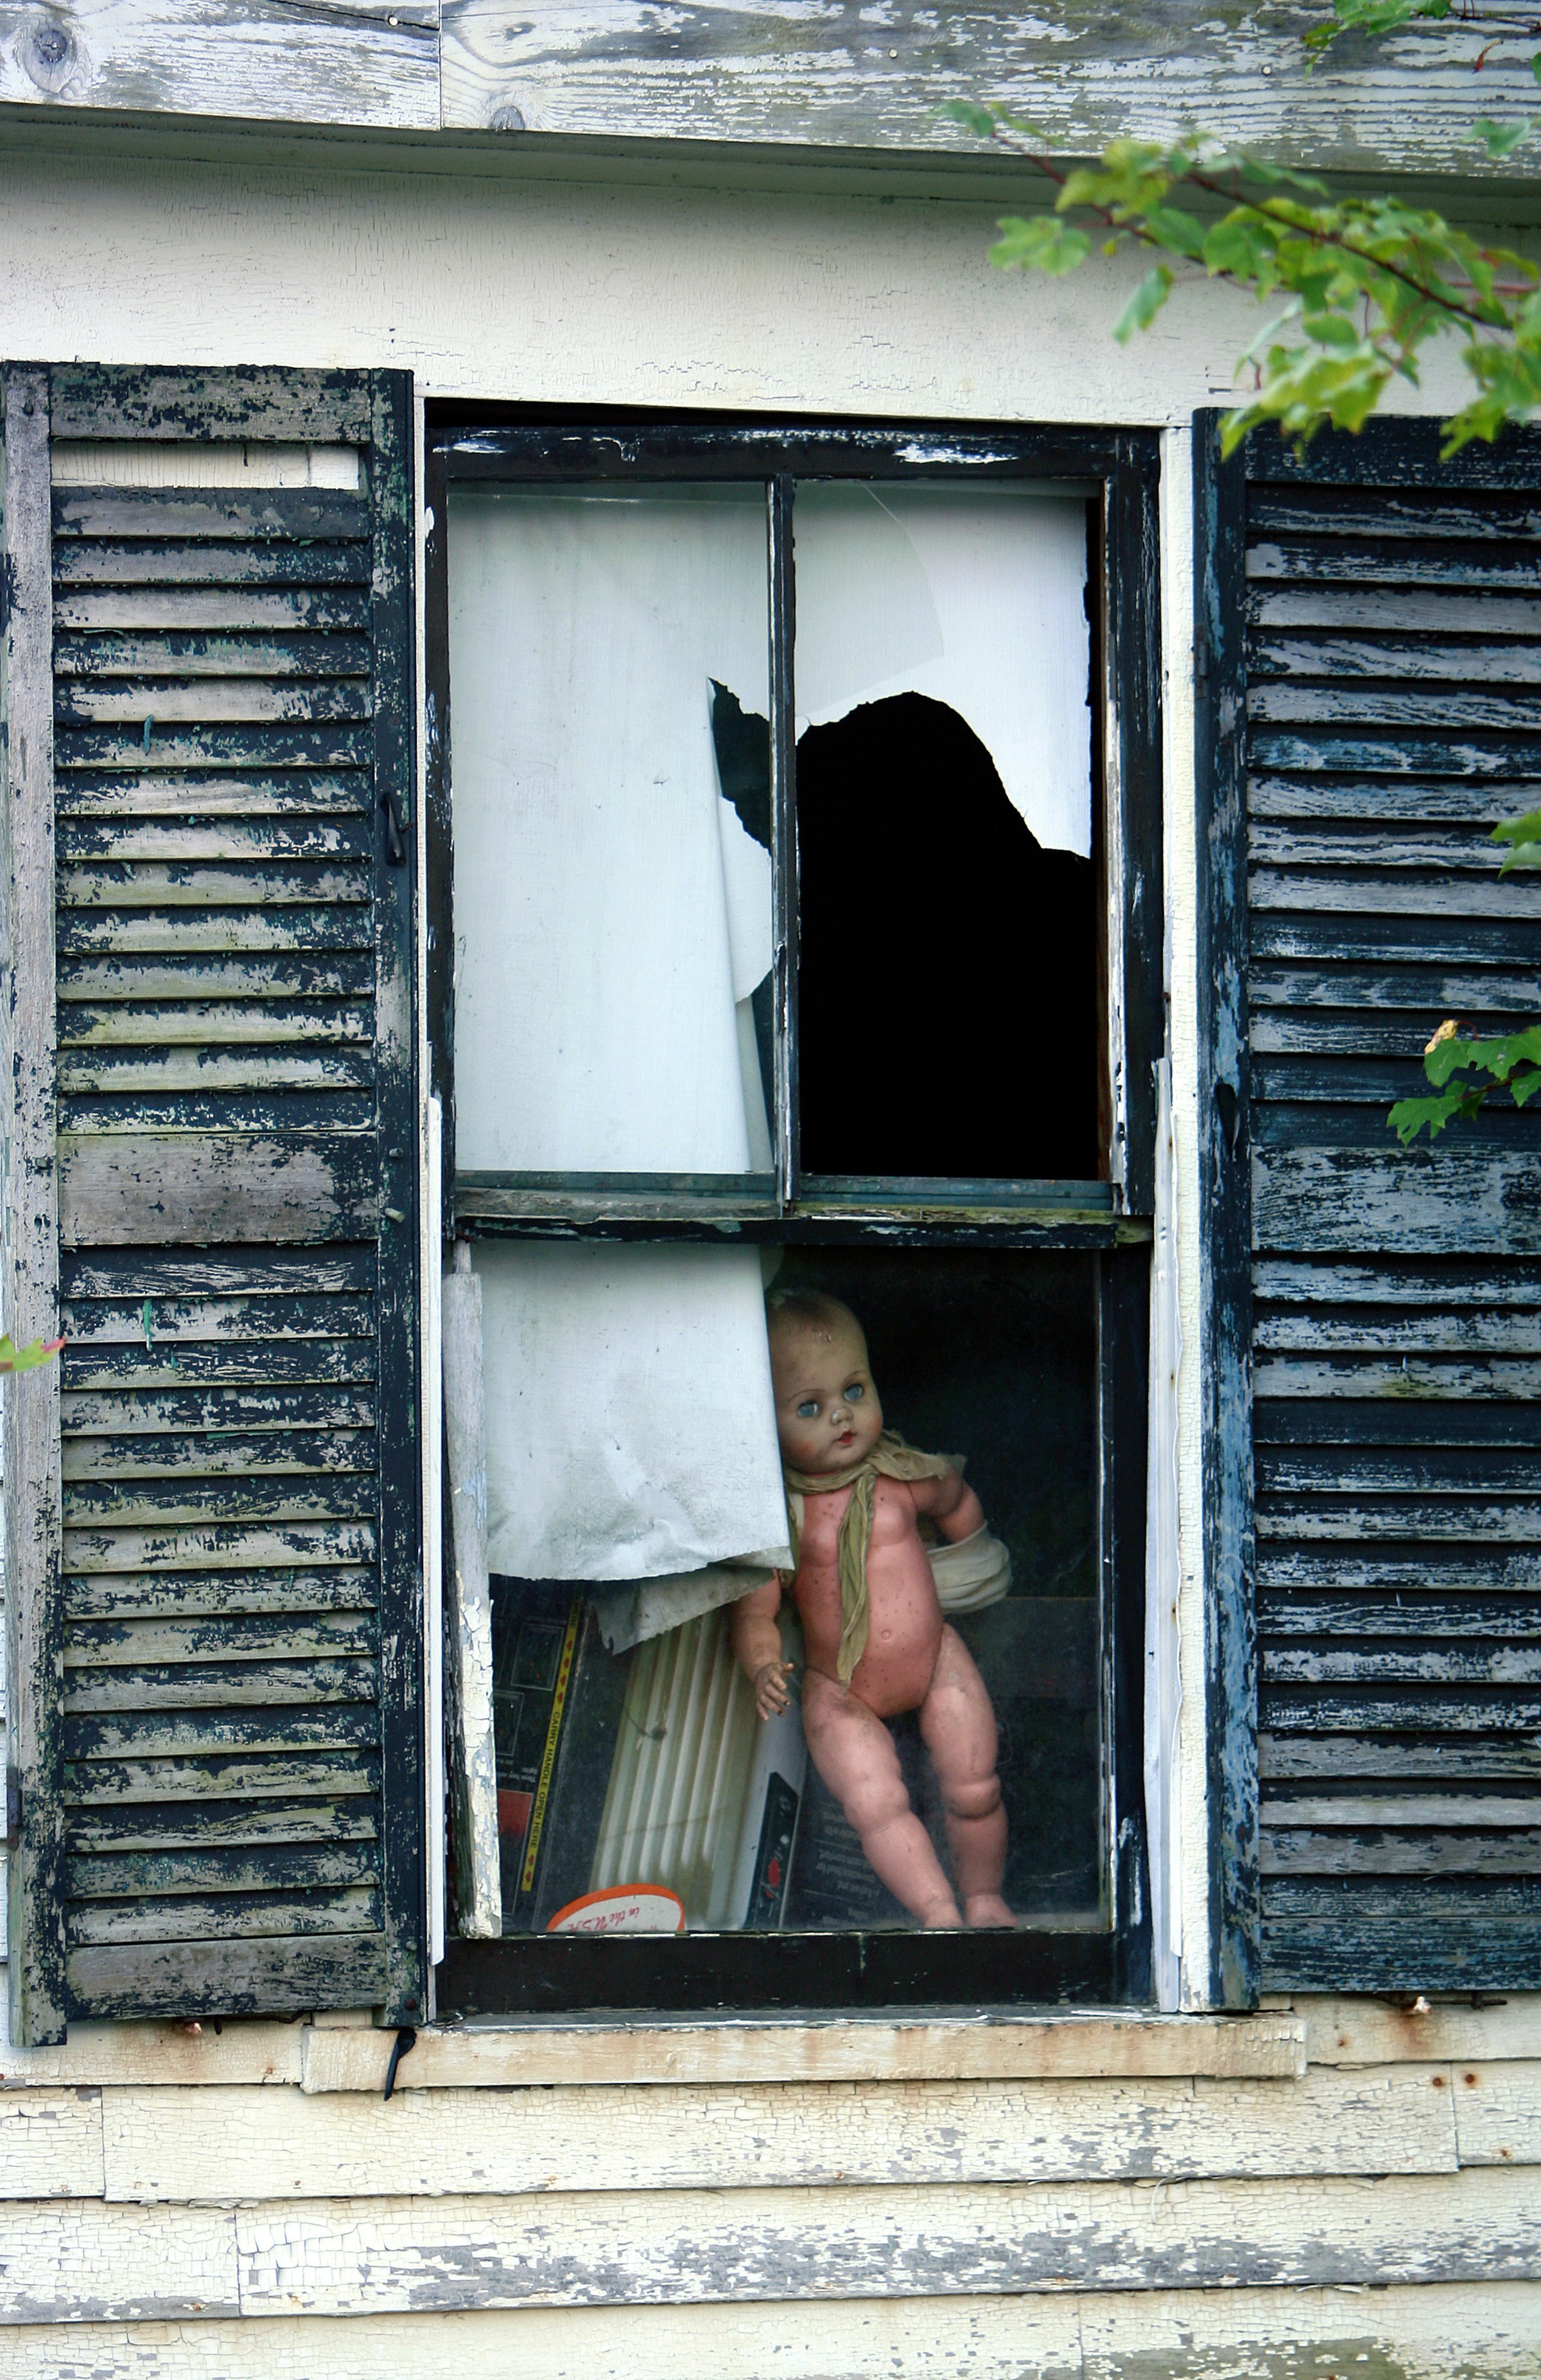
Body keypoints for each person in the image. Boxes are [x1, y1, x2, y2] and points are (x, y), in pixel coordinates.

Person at [731, 1290, 1013, 1928]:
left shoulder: (903, 1473)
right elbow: (754, 1610)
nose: (840, 1416)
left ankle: (986, 1896)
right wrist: (762, 1665)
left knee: (975, 1785)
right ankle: (938, 1910)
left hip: (933, 1654)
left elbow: (957, 1496)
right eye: (810, 1406)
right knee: (876, 1804)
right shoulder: (784, 1518)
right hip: (840, 1688)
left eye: (854, 1391)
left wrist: (974, 1557)